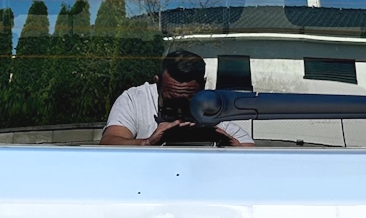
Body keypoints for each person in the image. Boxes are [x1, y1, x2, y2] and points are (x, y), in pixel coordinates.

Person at [101, 49, 253, 146]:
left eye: (188, 104)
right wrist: (147, 143)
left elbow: (249, 148)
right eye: (170, 103)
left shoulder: (209, 105)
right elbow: (109, 142)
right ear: (157, 83)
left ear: (202, 88)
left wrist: (232, 149)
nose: (179, 113)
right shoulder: (135, 100)